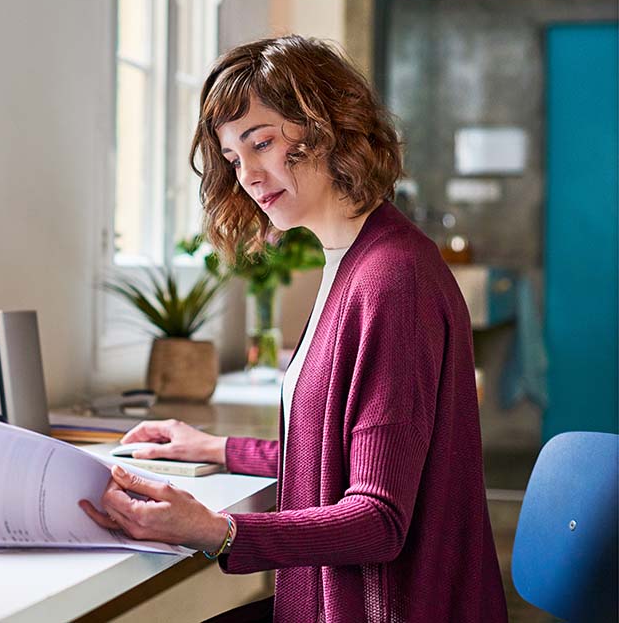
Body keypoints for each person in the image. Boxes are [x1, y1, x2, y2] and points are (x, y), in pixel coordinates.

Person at [79, 35, 507, 622]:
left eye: (263, 143)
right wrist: (217, 449)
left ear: (330, 126)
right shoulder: (352, 256)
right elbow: (346, 451)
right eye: (233, 159)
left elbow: (378, 519)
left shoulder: (392, 279)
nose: (249, 176)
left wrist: (216, 530)